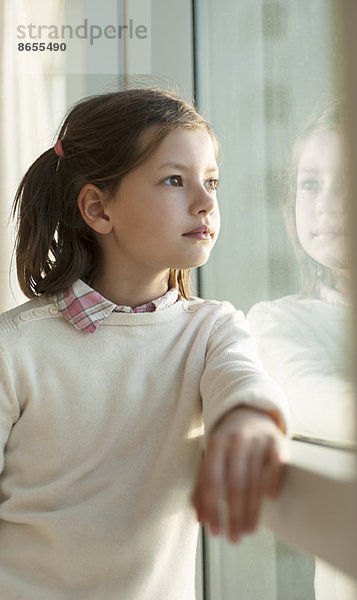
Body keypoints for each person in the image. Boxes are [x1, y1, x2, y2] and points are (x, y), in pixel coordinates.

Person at [0, 88, 289, 600]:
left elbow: (243, 381)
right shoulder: (15, 348)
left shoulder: (211, 331)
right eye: (175, 180)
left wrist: (247, 421)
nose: (205, 202)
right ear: (97, 208)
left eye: (212, 182)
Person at [248, 103, 357, 448]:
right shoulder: (278, 322)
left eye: (354, 180)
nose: (327, 202)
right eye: (310, 184)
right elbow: (323, 407)